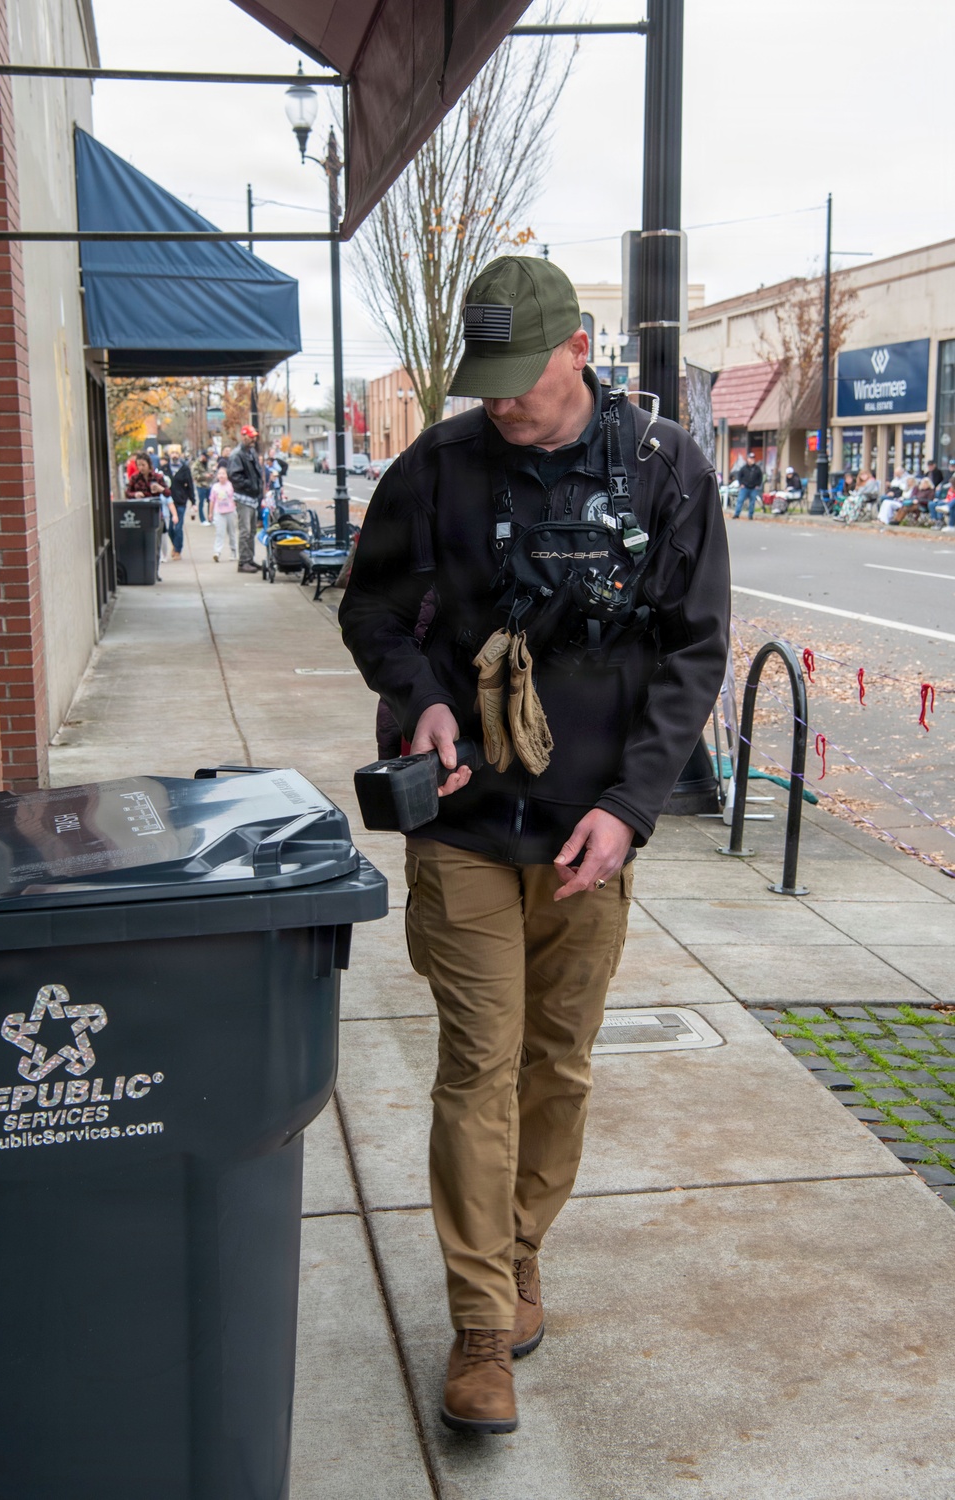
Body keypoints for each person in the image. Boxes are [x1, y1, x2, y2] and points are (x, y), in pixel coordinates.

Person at [339, 257, 730, 1437]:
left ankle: (517, 1260)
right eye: (487, 380)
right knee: (479, 1066)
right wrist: (421, 700)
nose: (503, 401)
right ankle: (476, 1330)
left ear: (578, 351)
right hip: (464, 826)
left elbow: (693, 652)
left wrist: (631, 806)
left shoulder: (666, 469)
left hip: (586, 836)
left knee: (555, 1068)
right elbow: (368, 605)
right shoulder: (440, 468)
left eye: (523, 377)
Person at [126, 450, 176, 578]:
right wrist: (134, 494)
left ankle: (154, 572)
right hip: (139, 514)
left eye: (143, 464)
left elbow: (168, 493)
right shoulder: (135, 478)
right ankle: (140, 571)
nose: (141, 468)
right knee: (140, 545)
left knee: (155, 545)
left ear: (149, 464)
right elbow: (127, 493)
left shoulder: (158, 478)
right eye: (139, 465)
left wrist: (160, 489)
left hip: (155, 514)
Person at [227, 425, 264, 574]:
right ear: (244, 436)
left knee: (252, 530)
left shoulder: (251, 452)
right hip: (244, 497)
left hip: (252, 497)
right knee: (245, 530)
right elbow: (234, 476)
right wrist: (250, 486)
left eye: (254, 436)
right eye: (251, 436)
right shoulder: (237, 454)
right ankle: (243, 562)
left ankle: (249, 559)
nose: (253, 439)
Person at [167, 454, 196, 560]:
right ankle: (175, 544)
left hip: (180, 502)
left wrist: (193, 502)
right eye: (172, 452)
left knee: (178, 527)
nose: (174, 455)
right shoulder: (165, 468)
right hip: (168, 502)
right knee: (170, 528)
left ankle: (178, 550)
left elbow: (190, 486)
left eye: (176, 452)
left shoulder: (185, 469)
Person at [209, 463, 237, 561]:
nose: (221, 476)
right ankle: (217, 552)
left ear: (227, 475)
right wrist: (210, 513)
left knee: (231, 533)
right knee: (219, 533)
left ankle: (233, 551)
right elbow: (212, 500)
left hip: (230, 511)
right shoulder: (215, 487)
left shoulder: (230, 486)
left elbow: (235, 499)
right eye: (219, 474)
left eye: (223, 474)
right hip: (219, 512)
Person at [733, 450, 763, 518]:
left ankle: (750, 515)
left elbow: (760, 477)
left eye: (753, 458)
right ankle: (736, 514)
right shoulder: (744, 468)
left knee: (752, 502)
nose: (752, 460)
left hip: (753, 488)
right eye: (750, 458)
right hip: (745, 487)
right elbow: (739, 476)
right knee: (740, 500)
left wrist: (758, 485)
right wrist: (741, 484)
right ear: (747, 459)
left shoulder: (757, 469)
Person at [192, 450, 211, 523]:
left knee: (210, 502)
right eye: (206, 457)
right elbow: (195, 476)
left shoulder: (207, 464)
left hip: (208, 485)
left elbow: (210, 471)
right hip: (200, 486)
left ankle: (210, 518)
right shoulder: (196, 464)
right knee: (201, 503)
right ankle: (202, 519)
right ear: (202, 457)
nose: (207, 459)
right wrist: (204, 476)